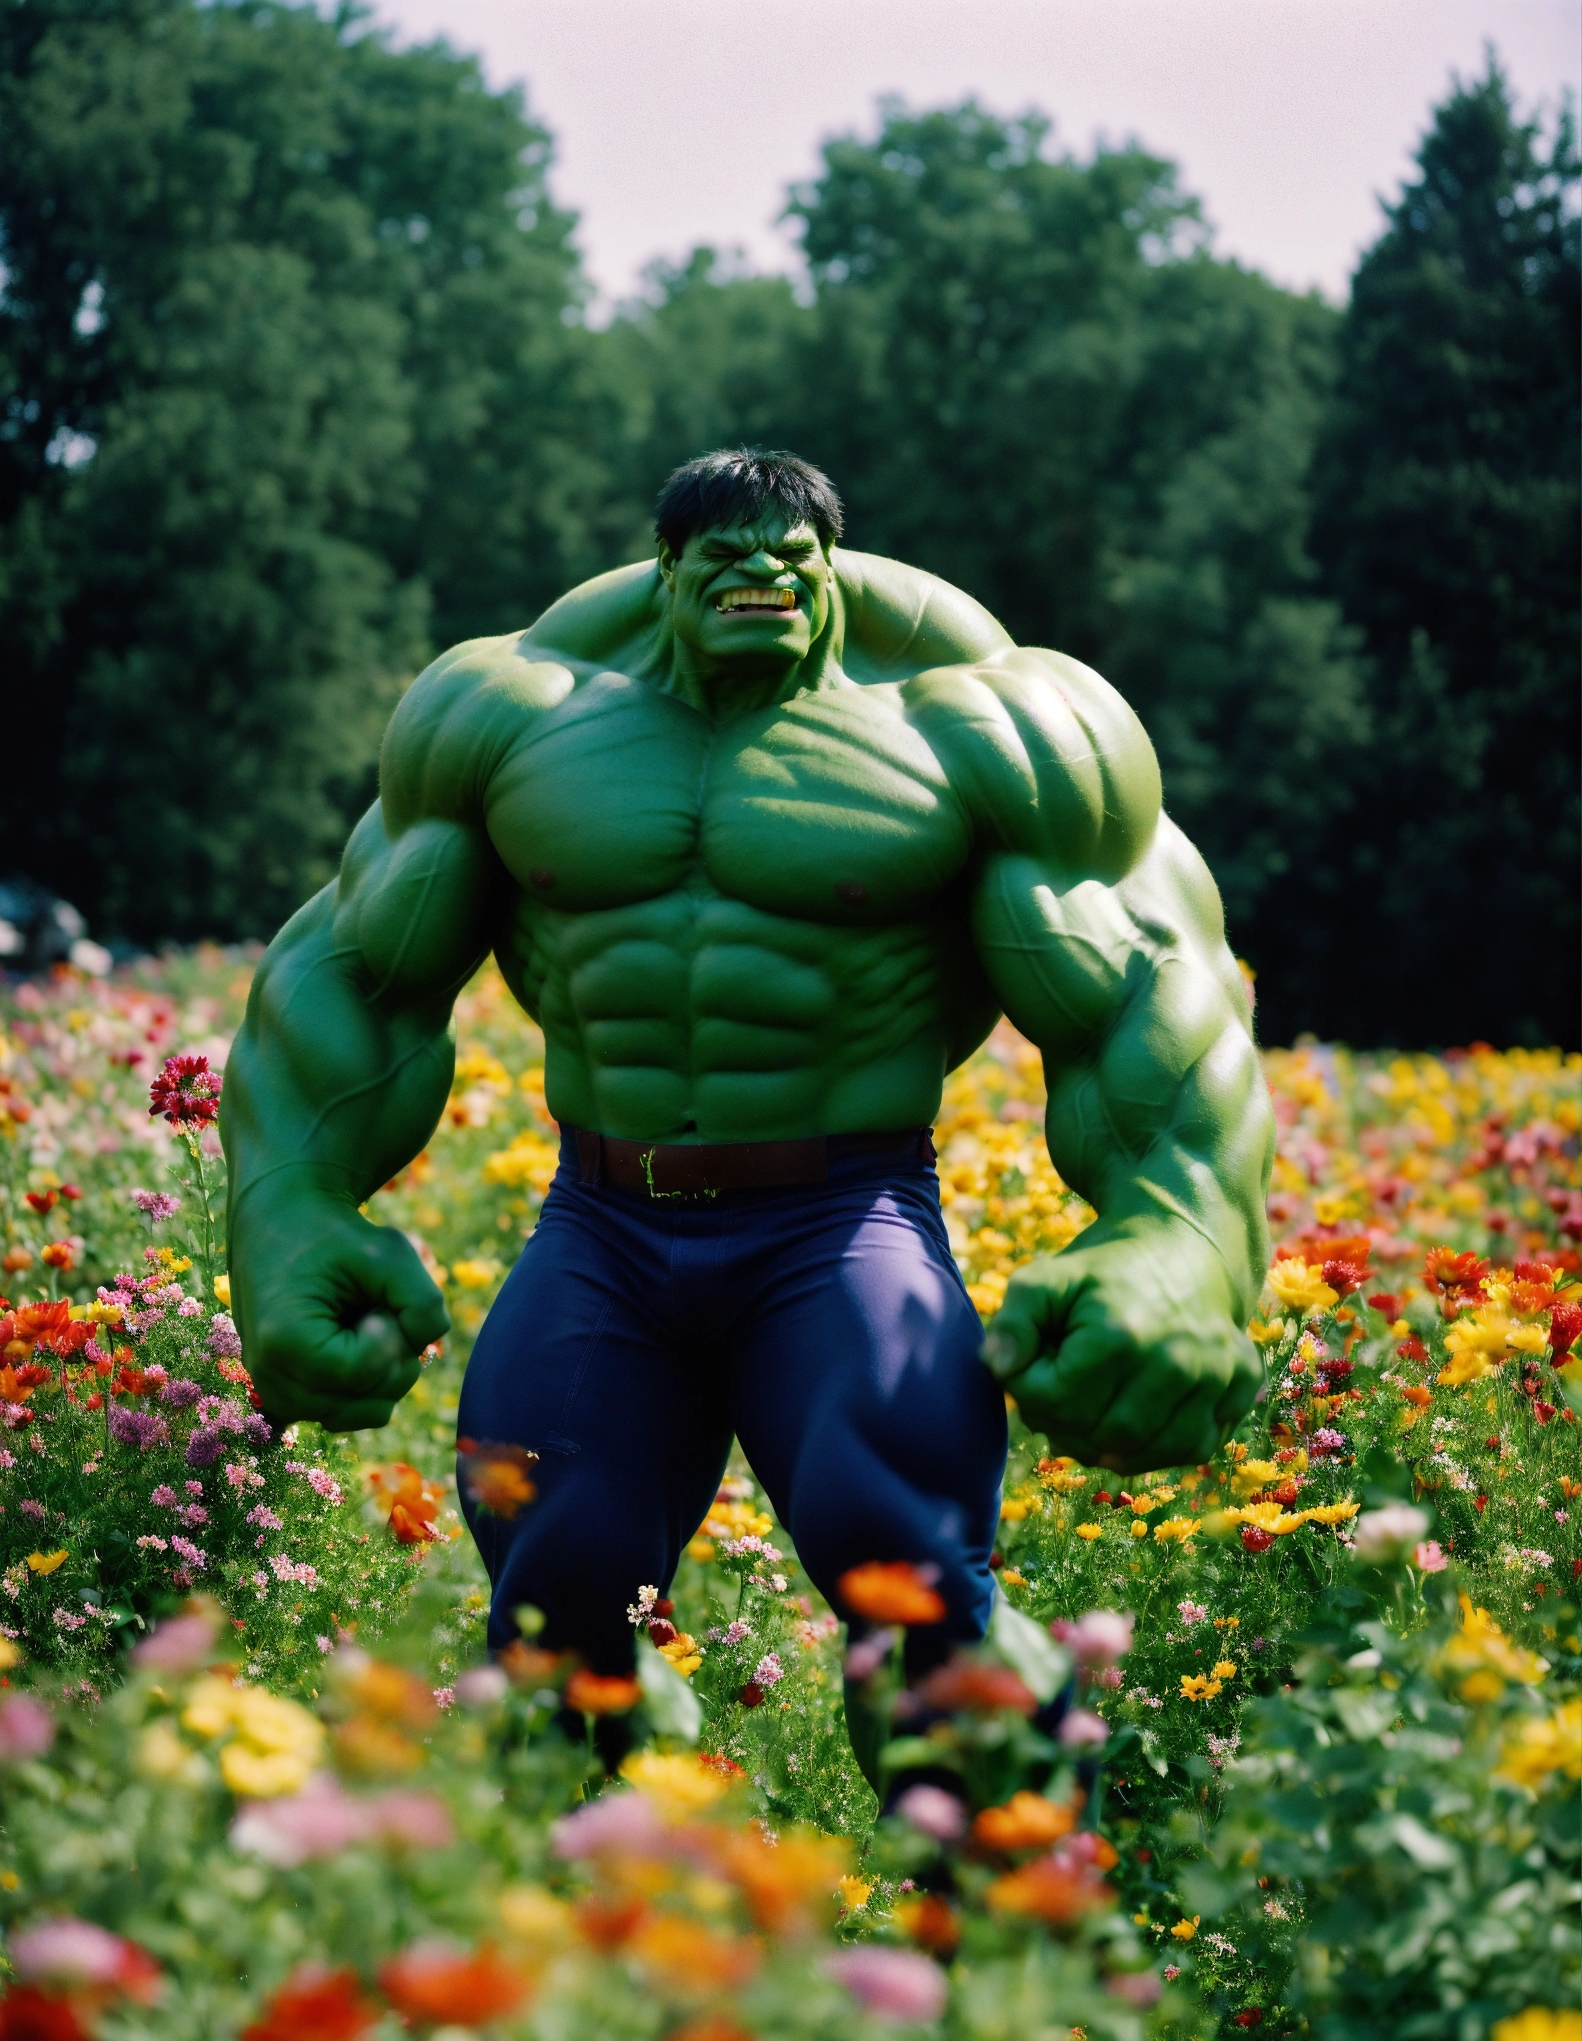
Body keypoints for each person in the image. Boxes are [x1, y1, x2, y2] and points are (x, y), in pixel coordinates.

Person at [221, 447, 1274, 1737]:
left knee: (918, 1581)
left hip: (840, 1218)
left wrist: (1181, 1234)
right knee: (549, 1590)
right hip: (599, 1225)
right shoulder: (508, 714)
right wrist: (287, 1205)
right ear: (668, 573)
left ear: (832, 570)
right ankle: (588, 1892)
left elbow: (1154, 986)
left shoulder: (984, 724)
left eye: (793, 553)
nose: (763, 572)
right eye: (726, 551)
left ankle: (1027, 1922)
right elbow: (356, 974)